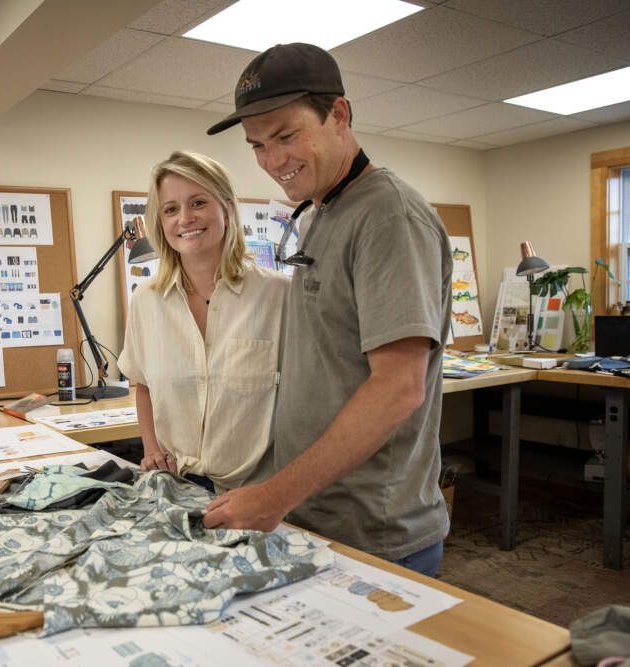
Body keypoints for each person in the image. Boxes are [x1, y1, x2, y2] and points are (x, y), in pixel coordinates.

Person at [202, 43, 453, 577]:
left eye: (287, 136)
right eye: (257, 145)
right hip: (314, 513)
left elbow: (399, 386)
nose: (273, 162)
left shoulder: (389, 217)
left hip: (374, 531)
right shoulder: (323, 212)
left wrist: (275, 494)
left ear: (338, 114)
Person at [117, 150, 290, 493]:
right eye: (171, 209)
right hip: (176, 487)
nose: (185, 218)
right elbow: (143, 384)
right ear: (159, 222)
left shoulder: (279, 295)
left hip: (257, 491)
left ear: (227, 208)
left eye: (198, 202)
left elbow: (306, 397)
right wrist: (151, 449)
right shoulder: (146, 301)